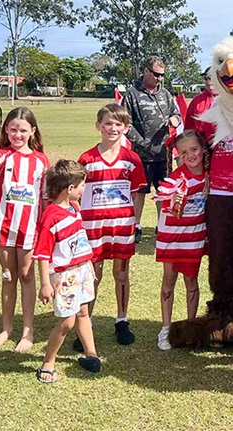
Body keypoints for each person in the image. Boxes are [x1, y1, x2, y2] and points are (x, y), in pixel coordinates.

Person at [75, 104, 146, 350]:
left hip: (121, 225)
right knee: (92, 274)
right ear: (98, 125)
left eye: (118, 124)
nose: (112, 128)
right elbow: (77, 193)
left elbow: (138, 194)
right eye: (108, 123)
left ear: (126, 128)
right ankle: (86, 321)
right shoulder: (86, 159)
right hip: (92, 226)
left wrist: (135, 223)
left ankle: (122, 320)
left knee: (121, 273)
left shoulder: (131, 159)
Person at [0, 107, 50, 352]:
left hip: (30, 228)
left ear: (32, 131)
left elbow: (44, 198)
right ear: (6, 130)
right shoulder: (0, 156)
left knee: (27, 275)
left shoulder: (41, 161)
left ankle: (28, 332)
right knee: (8, 276)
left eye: (23, 130)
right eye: (12, 129)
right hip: (3, 227)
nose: (17, 134)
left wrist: (44, 228)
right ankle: (5, 329)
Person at [34, 160, 101, 383]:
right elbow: (42, 254)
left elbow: (80, 239)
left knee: (83, 312)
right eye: (82, 185)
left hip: (81, 270)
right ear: (70, 189)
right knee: (67, 321)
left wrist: (88, 264)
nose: (84, 190)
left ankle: (90, 353)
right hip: (64, 276)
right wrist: (45, 283)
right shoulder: (51, 216)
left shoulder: (74, 208)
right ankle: (49, 361)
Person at [155, 131, 209, 351]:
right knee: (169, 282)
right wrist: (176, 202)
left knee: (192, 282)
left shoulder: (210, 175)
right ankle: (165, 328)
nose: (190, 155)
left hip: (194, 237)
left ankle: (191, 326)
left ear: (203, 149)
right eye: (184, 152)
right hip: (172, 238)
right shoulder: (176, 179)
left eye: (194, 149)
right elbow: (170, 210)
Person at [123, 55, 182, 243]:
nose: (159, 78)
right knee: (139, 191)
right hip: (141, 154)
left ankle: (162, 224)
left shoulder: (164, 93)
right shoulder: (132, 94)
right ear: (146, 71)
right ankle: (136, 226)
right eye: (156, 74)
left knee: (163, 191)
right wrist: (141, 143)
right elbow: (126, 124)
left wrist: (174, 120)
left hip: (163, 153)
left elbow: (177, 113)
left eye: (162, 75)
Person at [184, 67, 217, 142]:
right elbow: (189, 126)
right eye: (206, 79)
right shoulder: (196, 101)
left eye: (211, 78)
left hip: (223, 145)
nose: (208, 81)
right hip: (201, 144)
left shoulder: (227, 99)